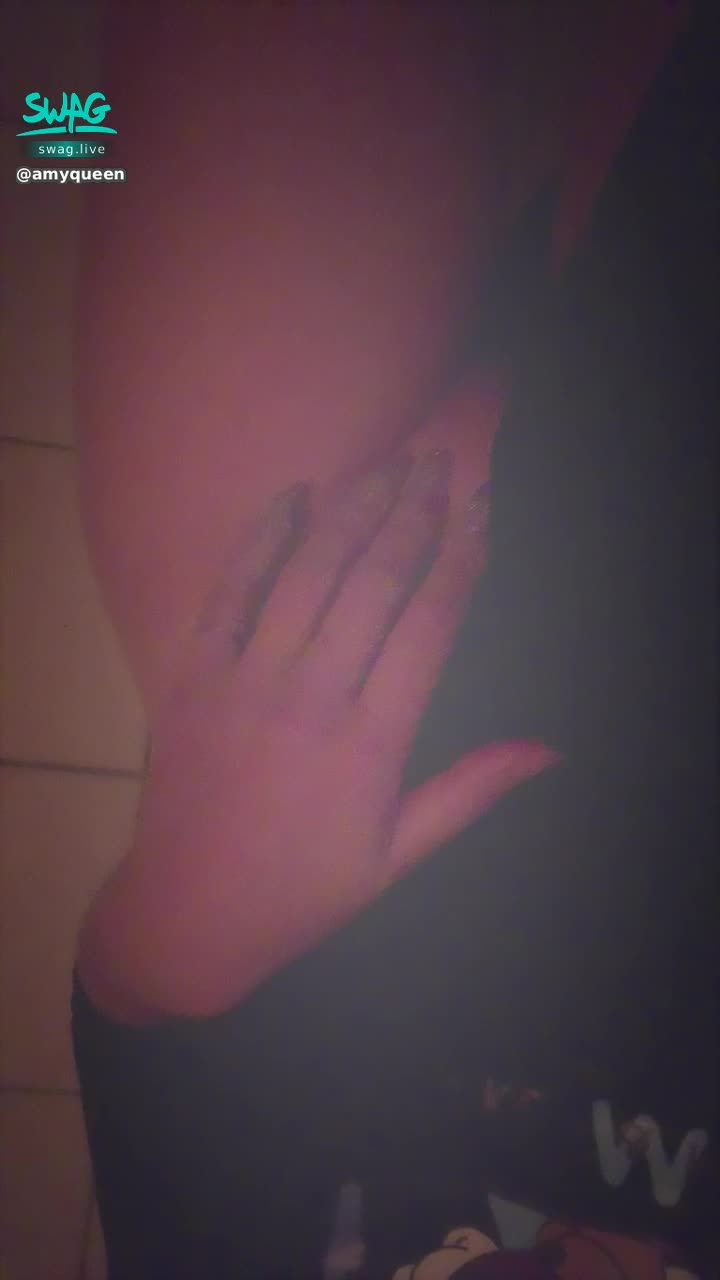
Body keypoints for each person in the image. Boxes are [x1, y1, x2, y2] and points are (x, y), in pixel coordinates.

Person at [70, 4, 717, 1278]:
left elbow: (135, 1028)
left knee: (124, 106)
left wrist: (169, 937)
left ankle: (37, 129)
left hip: (331, 720)